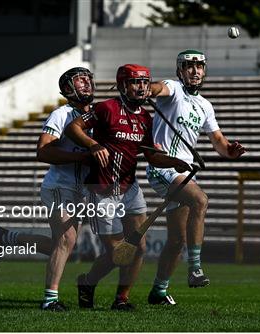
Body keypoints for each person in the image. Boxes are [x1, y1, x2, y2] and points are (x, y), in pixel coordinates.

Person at [65, 64, 192, 311]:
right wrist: (93, 145)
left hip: (130, 189)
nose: (142, 87)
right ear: (123, 85)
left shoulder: (146, 118)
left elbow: (152, 156)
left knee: (139, 247)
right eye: (136, 82)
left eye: (145, 82)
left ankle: (122, 298)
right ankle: (88, 282)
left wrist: (177, 161)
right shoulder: (106, 108)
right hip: (101, 189)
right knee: (118, 252)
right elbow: (73, 128)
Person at [0, 67, 96, 311]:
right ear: (68, 89)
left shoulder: (97, 115)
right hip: (59, 186)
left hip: (80, 190)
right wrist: (81, 158)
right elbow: (43, 150)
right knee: (66, 240)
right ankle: (50, 300)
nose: (87, 84)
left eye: (88, 79)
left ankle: (5, 238)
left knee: (63, 246)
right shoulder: (62, 114)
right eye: (80, 81)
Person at [146, 49, 246, 305]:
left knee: (177, 239)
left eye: (199, 66)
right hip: (164, 168)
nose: (195, 70)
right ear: (180, 69)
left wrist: (231, 152)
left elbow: (219, 143)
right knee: (200, 200)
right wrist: (148, 90)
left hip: (184, 172)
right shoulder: (174, 87)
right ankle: (196, 267)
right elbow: (158, 88)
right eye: (189, 66)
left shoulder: (205, 106)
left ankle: (159, 290)